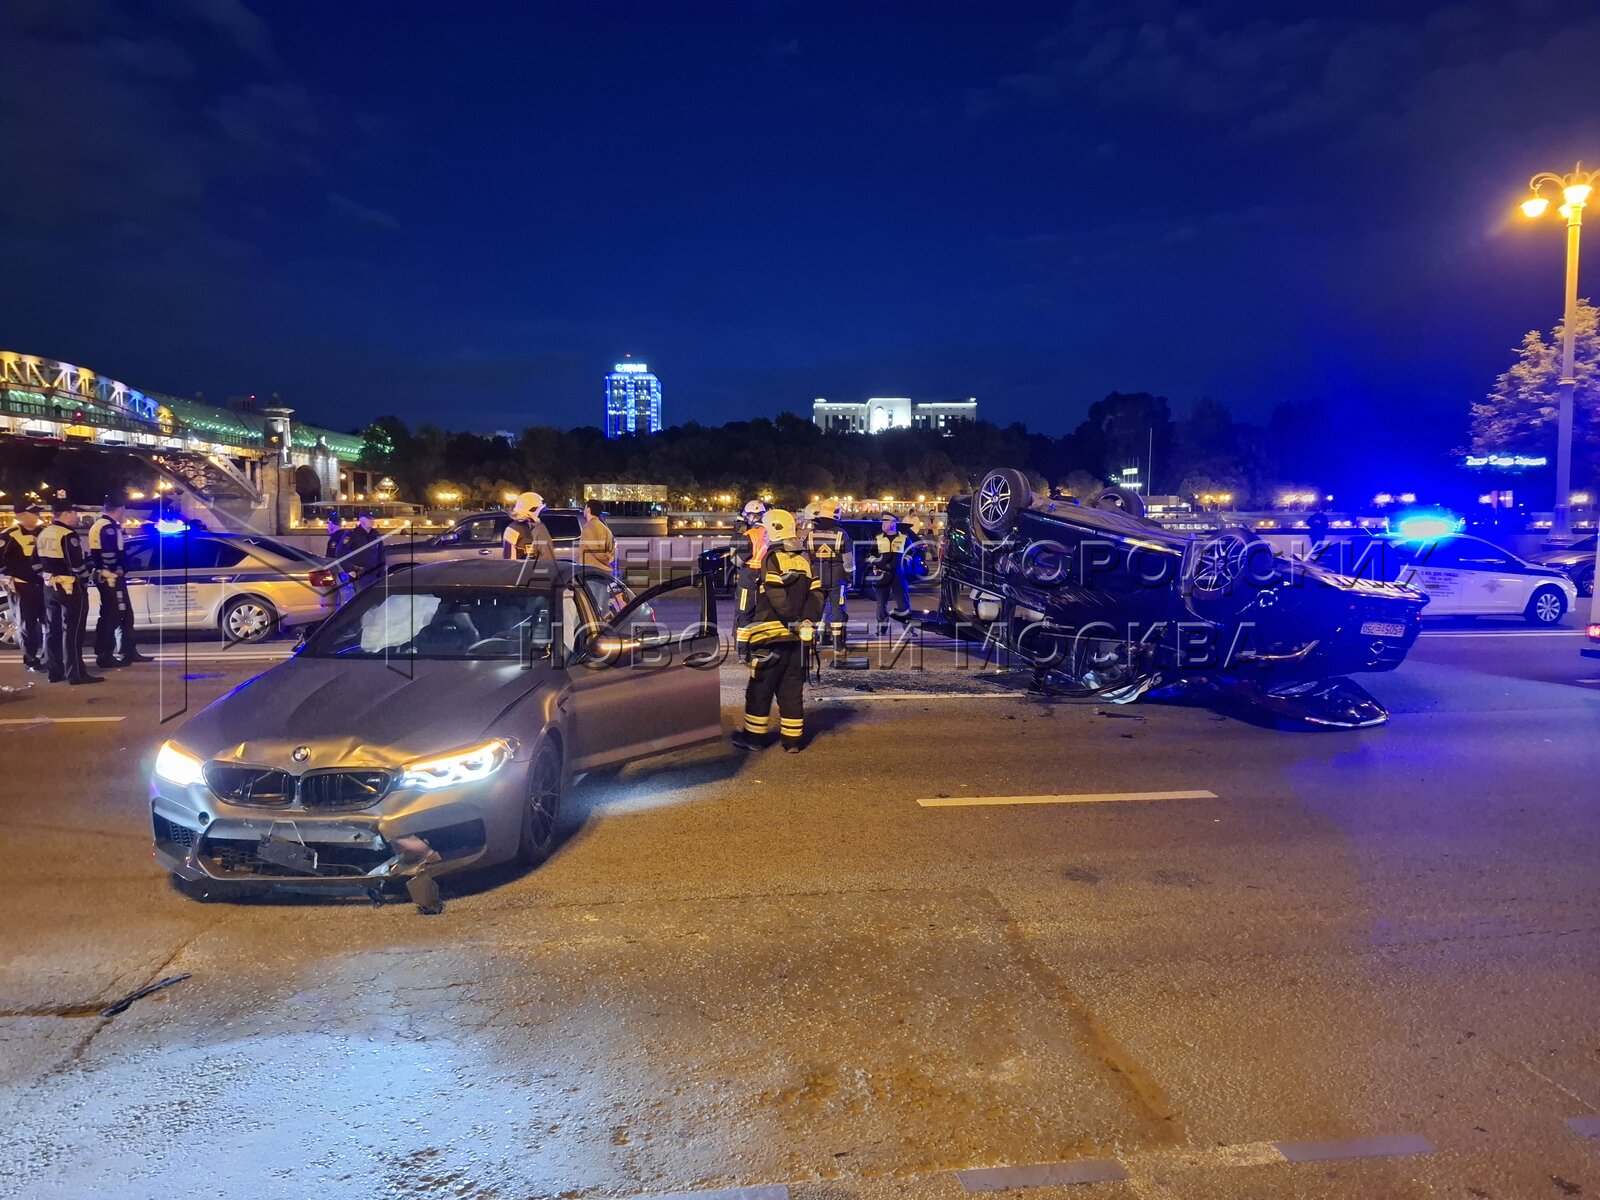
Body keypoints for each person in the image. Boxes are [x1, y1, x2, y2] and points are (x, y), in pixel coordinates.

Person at [733, 509, 822, 753]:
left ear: (773, 530)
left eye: (765, 530)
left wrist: (792, 620)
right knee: (791, 689)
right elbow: (816, 595)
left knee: (760, 689)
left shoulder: (771, 558)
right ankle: (792, 741)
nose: (763, 534)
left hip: (770, 638)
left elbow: (775, 594)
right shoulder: (804, 560)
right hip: (798, 640)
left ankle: (754, 738)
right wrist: (806, 622)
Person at [34, 505, 101, 685]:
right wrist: (84, 580)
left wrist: (46, 577)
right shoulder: (67, 535)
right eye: (74, 513)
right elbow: (76, 565)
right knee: (73, 631)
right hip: (70, 587)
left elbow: (34, 563)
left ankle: (54, 672)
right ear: (66, 513)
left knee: (52, 630)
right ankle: (76, 674)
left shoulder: (44, 533)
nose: (76, 517)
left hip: (50, 587)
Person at [87, 498, 147, 667]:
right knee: (112, 615)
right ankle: (106, 655)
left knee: (124, 614)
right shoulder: (108, 528)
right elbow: (109, 554)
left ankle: (127, 651)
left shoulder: (101, 525)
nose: (124, 512)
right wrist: (116, 569)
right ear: (119, 508)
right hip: (111, 578)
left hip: (107, 576)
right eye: (124, 509)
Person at [1, 505, 47, 672]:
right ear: (20, 515)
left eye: (38, 512)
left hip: (45, 585)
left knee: (50, 623)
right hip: (21, 586)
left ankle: (49, 658)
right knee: (27, 625)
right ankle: (31, 660)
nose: (38, 515)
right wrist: (4, 577)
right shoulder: (9, 535)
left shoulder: (45, 531)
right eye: (33, 513)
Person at [802, 504, 852, 655]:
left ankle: (809, 646)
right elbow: (848, 561)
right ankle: (838, 647)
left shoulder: (811, 534)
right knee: (838, 611)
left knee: (813, 611)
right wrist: (849, 578)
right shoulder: (841, 534)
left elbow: (804, 558)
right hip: (837, 578)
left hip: (816, 577)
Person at [867, 512, 909, 635]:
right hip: (882, 575)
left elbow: (911, 552)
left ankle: (908, 629)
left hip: (898, 575)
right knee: (881, 604)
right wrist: (875, 562)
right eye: (883, 522)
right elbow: (871, 554)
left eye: (886, 522)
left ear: (893, 523)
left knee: (903, 603)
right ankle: (881, 629)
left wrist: (906, 560)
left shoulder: (904, 538)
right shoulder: (878, 538)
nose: (883, 524)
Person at [339, 513, 386, 604]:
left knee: (375, 601)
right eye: (369, 519)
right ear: (362, 521)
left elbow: (381, 552)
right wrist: (349, 569)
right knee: (362, 600)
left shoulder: (375, 534)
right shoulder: (352, 534)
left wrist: (382, 570)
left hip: (374, 574)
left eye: (373, 518)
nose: (372, 521)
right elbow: (340, 552)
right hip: (359, 573)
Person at [502, 491, 555, 565]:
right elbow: (510, 562)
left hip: (540, 570)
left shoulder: (539, 526)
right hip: (525, 571)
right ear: (531, 509)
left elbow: (547, 554)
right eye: (540, 510)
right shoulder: (512, 530)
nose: (541, 513)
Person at [578, 498, 616, 575]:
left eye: (585, 508)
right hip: (605, 571)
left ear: (588, 510)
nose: (583, 510)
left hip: (592, 571)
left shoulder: (588, 527)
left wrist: (606, 559)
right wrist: (610, 559)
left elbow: (595, 550)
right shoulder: (605, 528)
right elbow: (612, 549)